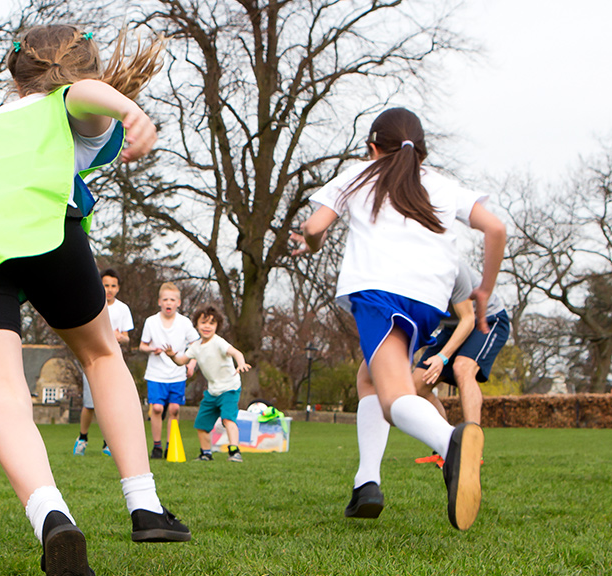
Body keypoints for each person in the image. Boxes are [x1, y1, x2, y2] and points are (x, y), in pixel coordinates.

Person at [0, 24, 190, 575]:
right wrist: (130, 111)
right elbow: (79, 96)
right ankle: (145, 506)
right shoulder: (65, 106)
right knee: (101, 354)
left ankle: (51, 516)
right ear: (84, 70)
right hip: (40, 227)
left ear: (15, 75)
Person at [290, 107, 506, 531]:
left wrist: (311, 244)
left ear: (373, 147)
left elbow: (315, 227)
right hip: (428, 302)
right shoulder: (443, 184)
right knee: (368, 376)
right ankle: (365, 482)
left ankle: (451, 444)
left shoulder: (359, 174)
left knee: (392, 400)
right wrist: (484, 287)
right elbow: (495, 229)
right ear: (419, 151)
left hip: (379, 296)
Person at [415, 262, 510, 427]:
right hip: (452, 327)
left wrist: (442, 357)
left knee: (463, 367)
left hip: (486, 319)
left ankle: (471, 447)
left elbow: (468, 320)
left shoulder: (453, 269)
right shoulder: (407, 279)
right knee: (417, 386)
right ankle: (445, 443)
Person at [164, 306, 251, 463]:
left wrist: (241, 364)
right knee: (201, 425)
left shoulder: (219, 342)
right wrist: (172, 356)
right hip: (212, 392)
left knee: (227, 419)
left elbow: (237, 353)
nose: (207, 326)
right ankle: (206, 454)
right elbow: (181, 362)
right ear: (196, 325)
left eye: (212, 323)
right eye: (203, 322)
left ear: (217, 326)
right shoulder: (195, 347)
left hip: (229, 388)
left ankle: (234, 451)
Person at [73, 268, 134, 457]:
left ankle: (109, 443)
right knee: (90, 404)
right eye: (105, 285)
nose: (109, 289)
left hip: (112, 361)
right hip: (91, 359)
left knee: (111, 402)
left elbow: (126, 338)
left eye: (113, 286)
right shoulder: (92, 304)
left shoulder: (123, 309)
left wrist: (117, 336)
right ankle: (82, 438)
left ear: (118, 288)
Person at [139, 282, 198, 459]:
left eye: (172, 300)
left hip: (177, 373)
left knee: (173, 409)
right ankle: (156, 447)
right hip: (156, 374)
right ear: (159, 302)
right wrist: (152, 349)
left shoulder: (185, 323)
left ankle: (171, 445)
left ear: (178, 303)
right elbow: (142, 346)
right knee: (156, 408)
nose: (168, 303)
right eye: (165, 299)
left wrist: (191, 364)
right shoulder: (151, 322)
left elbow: (196, 345)